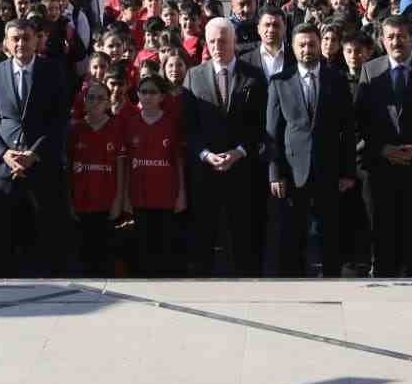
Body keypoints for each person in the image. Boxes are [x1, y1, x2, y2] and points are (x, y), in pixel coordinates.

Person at [0, 19, 73, 276]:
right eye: (15, 39)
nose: (21, 43)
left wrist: (35, 153)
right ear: (6, 43)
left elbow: (60, 118)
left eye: (26, 38)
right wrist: (3, 153)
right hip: (4, 169)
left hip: (42, 165)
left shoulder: (52, 70)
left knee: (46, 233)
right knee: (5, 236)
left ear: (36, 40)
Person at [356, 15, 412, 277]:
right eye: (391, 37)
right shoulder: (370, 70)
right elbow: (360, 120)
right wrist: (382, 149)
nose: (396, 42)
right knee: (384, 235)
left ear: (411, 38)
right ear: (383, 41)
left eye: (401, 36)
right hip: (382, 167)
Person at [266, 23, 357, 277]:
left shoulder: (337, 80)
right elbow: (272, 132)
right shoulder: (279, 82)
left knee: (330, 233)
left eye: (312, 44)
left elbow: (348, 130)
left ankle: (331, 281)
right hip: (293, 171)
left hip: (329, 170)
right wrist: (275, 173)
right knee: (293, 234)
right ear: (293, 48)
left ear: (320, 46)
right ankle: (294, 285)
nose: (307, 49)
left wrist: (348, 172)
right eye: (302, 45)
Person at [182, 18, 267, 276]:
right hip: (205, 173)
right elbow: (189, 126)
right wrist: (206, 155)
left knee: (243, 240)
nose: (217, 47)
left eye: (223, 41)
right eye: (212, 42)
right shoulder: (194, 76)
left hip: (242, 171)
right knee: (204, 238)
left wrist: (239, 152)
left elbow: (260, 124)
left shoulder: (253, 76)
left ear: (234, 41)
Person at [121, 74, 186, 276]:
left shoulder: (172, 123)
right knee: (141, 249)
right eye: (143, 92)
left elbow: (178, 161)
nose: (147, 96)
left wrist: (181, 194)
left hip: (166, 196)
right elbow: (125, 163)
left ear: (162, 96)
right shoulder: (130, 123)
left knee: (164, 249)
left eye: (152, 92)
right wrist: (125, 197)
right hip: (139, 195)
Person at [67, 80, 122, 277]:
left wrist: (119, 200)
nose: (95, 102)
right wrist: (70, 201)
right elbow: (68, 169)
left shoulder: (116, 128)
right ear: (84, 101)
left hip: (107, 203)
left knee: (105, 258)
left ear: (108, 102)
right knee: (84, 258)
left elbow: (121, 168)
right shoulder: (75, 130)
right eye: (91, 97)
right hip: (81, 203)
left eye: (100, 98)